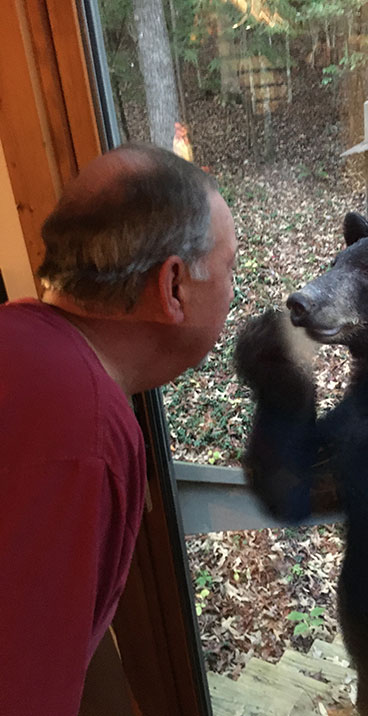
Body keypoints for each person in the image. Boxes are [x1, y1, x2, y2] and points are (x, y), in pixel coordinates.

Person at [0, 143, 237, 715]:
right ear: (173, 287)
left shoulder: (17, 338)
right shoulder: (82, 433)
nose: (234, 292)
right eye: (231, 268)